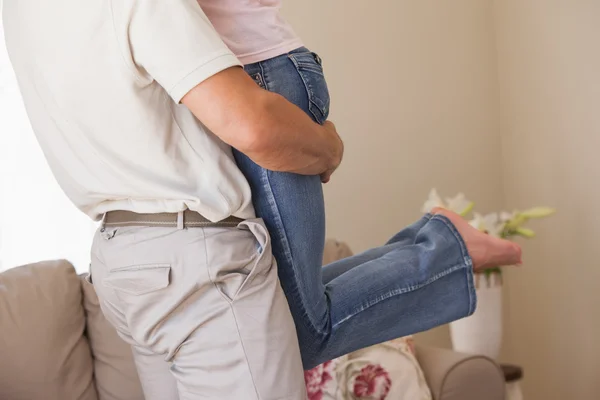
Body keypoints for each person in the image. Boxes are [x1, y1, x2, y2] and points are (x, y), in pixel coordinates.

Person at [2, 2, 520, 400]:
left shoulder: (20, 14)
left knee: (300, 324)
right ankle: (448, 250)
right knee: (305, 327)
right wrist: (328, 149)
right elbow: (253, 125)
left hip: (122, 260)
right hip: (189, 258)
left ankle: (447, 249)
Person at [198, 0, 523, 370]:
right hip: (244, 80)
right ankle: (436, 239)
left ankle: (451, 247)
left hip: (261, 79)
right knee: (284, 310)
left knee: (300, 332)